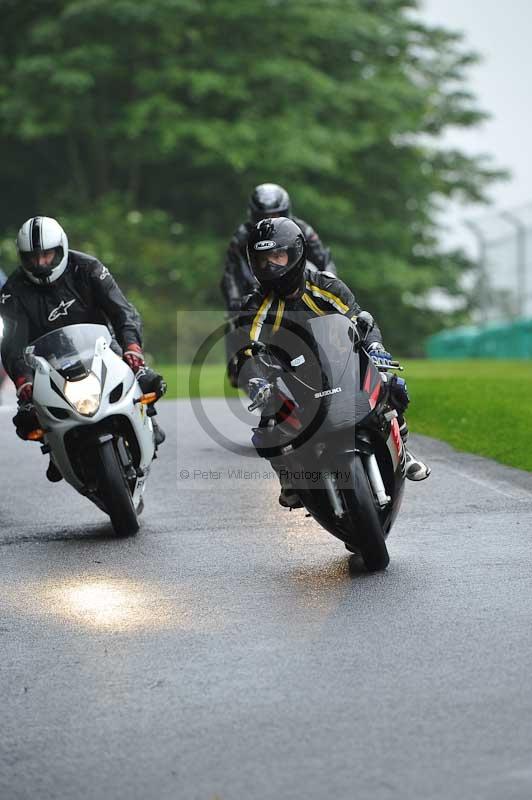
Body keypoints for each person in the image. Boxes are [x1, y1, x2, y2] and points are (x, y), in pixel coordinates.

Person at [239, 217, 430, 508]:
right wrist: (258, 379)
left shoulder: (326, 286)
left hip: (342, 363)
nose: (272, 266)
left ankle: (404, 450)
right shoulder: (256, 305)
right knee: (268, 420)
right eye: (263, 260)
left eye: (278, 256)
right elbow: (247, 349)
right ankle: (289, 478)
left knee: (392, 386)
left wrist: (375, 347)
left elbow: (360, 319)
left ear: (296, 253)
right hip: (293, 373)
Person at [0, 216, 166, 481]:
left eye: (47, 255)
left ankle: (147, 419)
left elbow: (123, 311)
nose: (41, 263)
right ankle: (55, 449)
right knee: (27, 420)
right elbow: (11, 346)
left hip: (99, 346)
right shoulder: (12, 292)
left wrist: (132, 347)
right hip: (45, 363)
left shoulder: (88, 267)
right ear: (23, 258)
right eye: (33, 258)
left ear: (61, 249)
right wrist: (23, 380)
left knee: (149, 382)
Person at [220, 182, 337, 312]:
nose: (269, 220)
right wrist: (235, 304)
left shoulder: (302, 230)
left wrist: (330, 288)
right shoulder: (241, 237)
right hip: (256, 293)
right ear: (253, 216)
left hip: (300, 291)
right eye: (262, 217)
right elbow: (231, 274)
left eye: (275, 215)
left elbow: (323, 260)